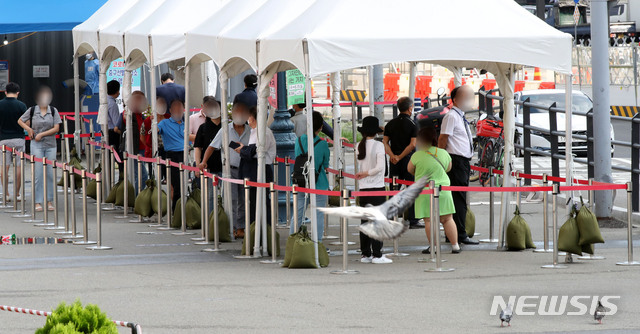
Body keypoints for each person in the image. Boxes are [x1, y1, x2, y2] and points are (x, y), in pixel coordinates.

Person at [200, 104, 250, 238]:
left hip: (246, 170)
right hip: (231, 170)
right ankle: (232, 227)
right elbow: (211, 147)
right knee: (232, 200)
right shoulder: (225, 130)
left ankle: (241, 227)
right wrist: (203, 161)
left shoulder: (251, 130)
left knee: (245, 200)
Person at [409, 126, 460, 254]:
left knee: (429, 220)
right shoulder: (443, 153)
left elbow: (410, 170)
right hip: (443, 188)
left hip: (425, 190)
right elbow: (448, 168)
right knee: (448, 219)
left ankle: (434, 247)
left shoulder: (417, 155)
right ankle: (455, 246)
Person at [438, 85, 478, 245]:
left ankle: (454, 232)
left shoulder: (460, 116)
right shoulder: (452, 116)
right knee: (458, 198)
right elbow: (443, 138)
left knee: (457, 198)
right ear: (455, 99)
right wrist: (441, 159)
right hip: (455, 161)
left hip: (461, 161)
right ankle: (460, 234)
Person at [17, 86, 62, 212]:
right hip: (36, 145)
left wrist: (42, 134)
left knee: (50, 174)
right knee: (38, 174)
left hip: (50, 145)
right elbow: (20, 120)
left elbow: (56, 128)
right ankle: (38, 201)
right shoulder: (32, 110)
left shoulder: (53, 111)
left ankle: (49, 200)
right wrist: (29, 129)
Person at [355, 116, 392, 264]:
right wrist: (367, 173)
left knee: (365, 222)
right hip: (377, 188)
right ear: (376, 132)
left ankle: (366, 254)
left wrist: (363, 174)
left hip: (363, 188)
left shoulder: (358, 145)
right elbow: (380, 168)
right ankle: (377, 254)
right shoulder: (379, 146)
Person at [383, 96, 422, 228]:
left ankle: (389, 217)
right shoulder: (412, 124)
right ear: (410, 108)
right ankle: (412, 219)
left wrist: (393, 156)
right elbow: (412, 145)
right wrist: (400, 156)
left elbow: (385, 142)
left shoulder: (390, 123)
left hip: (393, 161)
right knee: (411, 188)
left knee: (394, 189)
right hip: (408, 160)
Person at [291, 112, 330, 242]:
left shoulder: (299, 140)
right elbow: (325, 165)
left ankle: (293, 241)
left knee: (298, 213)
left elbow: (297, 157)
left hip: (301, 182)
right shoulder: (323, 144)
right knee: (318, 215)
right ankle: (316, 244)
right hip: (319, 184)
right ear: (320, 127)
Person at [236, 106, 277, 225]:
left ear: (253, 118)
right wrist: (243, 148)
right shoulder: (255, 131)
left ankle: (263, 229)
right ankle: (255, 229)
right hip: (253, 170)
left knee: (261, 202)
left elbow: (252, 152)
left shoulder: (262, 132)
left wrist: (241, 149)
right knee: (253, 202)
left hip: (260, 170)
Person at [114, 91, 148, 191]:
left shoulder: (141, 115)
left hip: (142, 148)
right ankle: (136, 198)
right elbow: (117, 127)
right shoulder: (127, 114)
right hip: (132, 149)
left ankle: (136, 197)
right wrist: (125, 134)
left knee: (139, 175)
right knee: (142, 176)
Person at [194, 97, 222, 211]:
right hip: (208, 166)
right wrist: (198, 164)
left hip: (225, 166)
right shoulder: (203, 128)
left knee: (226, 195)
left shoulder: (227, 127)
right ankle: (211, 219)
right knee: (210, 195)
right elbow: (198, 147)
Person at [0, 82, 26, 201]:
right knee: (19, 167)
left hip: (3, 140)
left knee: (4, 167)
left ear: (5, 92)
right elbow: (26, 123)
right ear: (18, 93)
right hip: (19, 139)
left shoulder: (0, 104)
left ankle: (6, 194)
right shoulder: (21, 105)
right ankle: (17, 194)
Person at [157, 99, 185, 211]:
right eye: (175, 108)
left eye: (180, 108)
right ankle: (176, 210)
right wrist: (155, 122)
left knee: (184, 184)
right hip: (172, 155)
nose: (178, 110)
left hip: (184, 155)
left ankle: (182, 209)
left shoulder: (185, 123)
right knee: (176, 184)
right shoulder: (164, 123)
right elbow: (156, 130)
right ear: (171, 110)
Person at [141, 97, 170, 182]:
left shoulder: (169, 118)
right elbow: (142, 135)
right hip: (153, 149)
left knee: (166, 169)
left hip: (167, 148)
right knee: (153, 173)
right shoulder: (148, 121)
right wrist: (148, 144)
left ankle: (165, 179)